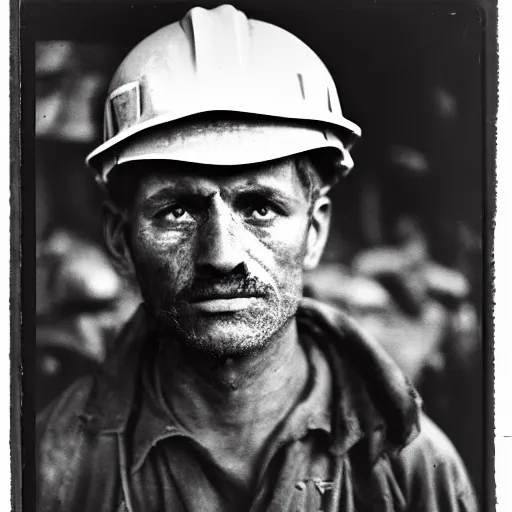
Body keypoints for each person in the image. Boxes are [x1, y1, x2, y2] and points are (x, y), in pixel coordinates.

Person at [36, 5, 477, 511]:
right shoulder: (55, 465)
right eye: (178, 211)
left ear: (315, 230)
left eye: (261, 207)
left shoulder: (411, 467)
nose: (222, 257)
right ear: (120, 236)